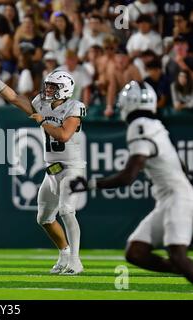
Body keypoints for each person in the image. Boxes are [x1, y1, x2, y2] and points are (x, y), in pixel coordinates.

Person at [69, 80, 193, 284]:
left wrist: (91, 184)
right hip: (171, 198)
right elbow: (181, 166)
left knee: (178, 256)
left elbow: (128, 176)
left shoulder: (139, 125)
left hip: (176, 198)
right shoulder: (155, 125)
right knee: (136, 252)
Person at [0, 68, 86, 275]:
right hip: (52, 170)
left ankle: (75, 261)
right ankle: (64, 253)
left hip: (72, 168)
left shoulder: (74, 107)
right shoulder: (42, 104)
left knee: (66, 211)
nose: (48, 90)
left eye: (53, 87)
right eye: (48, 85)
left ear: (64, 90)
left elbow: (64, 135)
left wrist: (43, 121)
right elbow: (16, 99)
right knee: (44, 218)